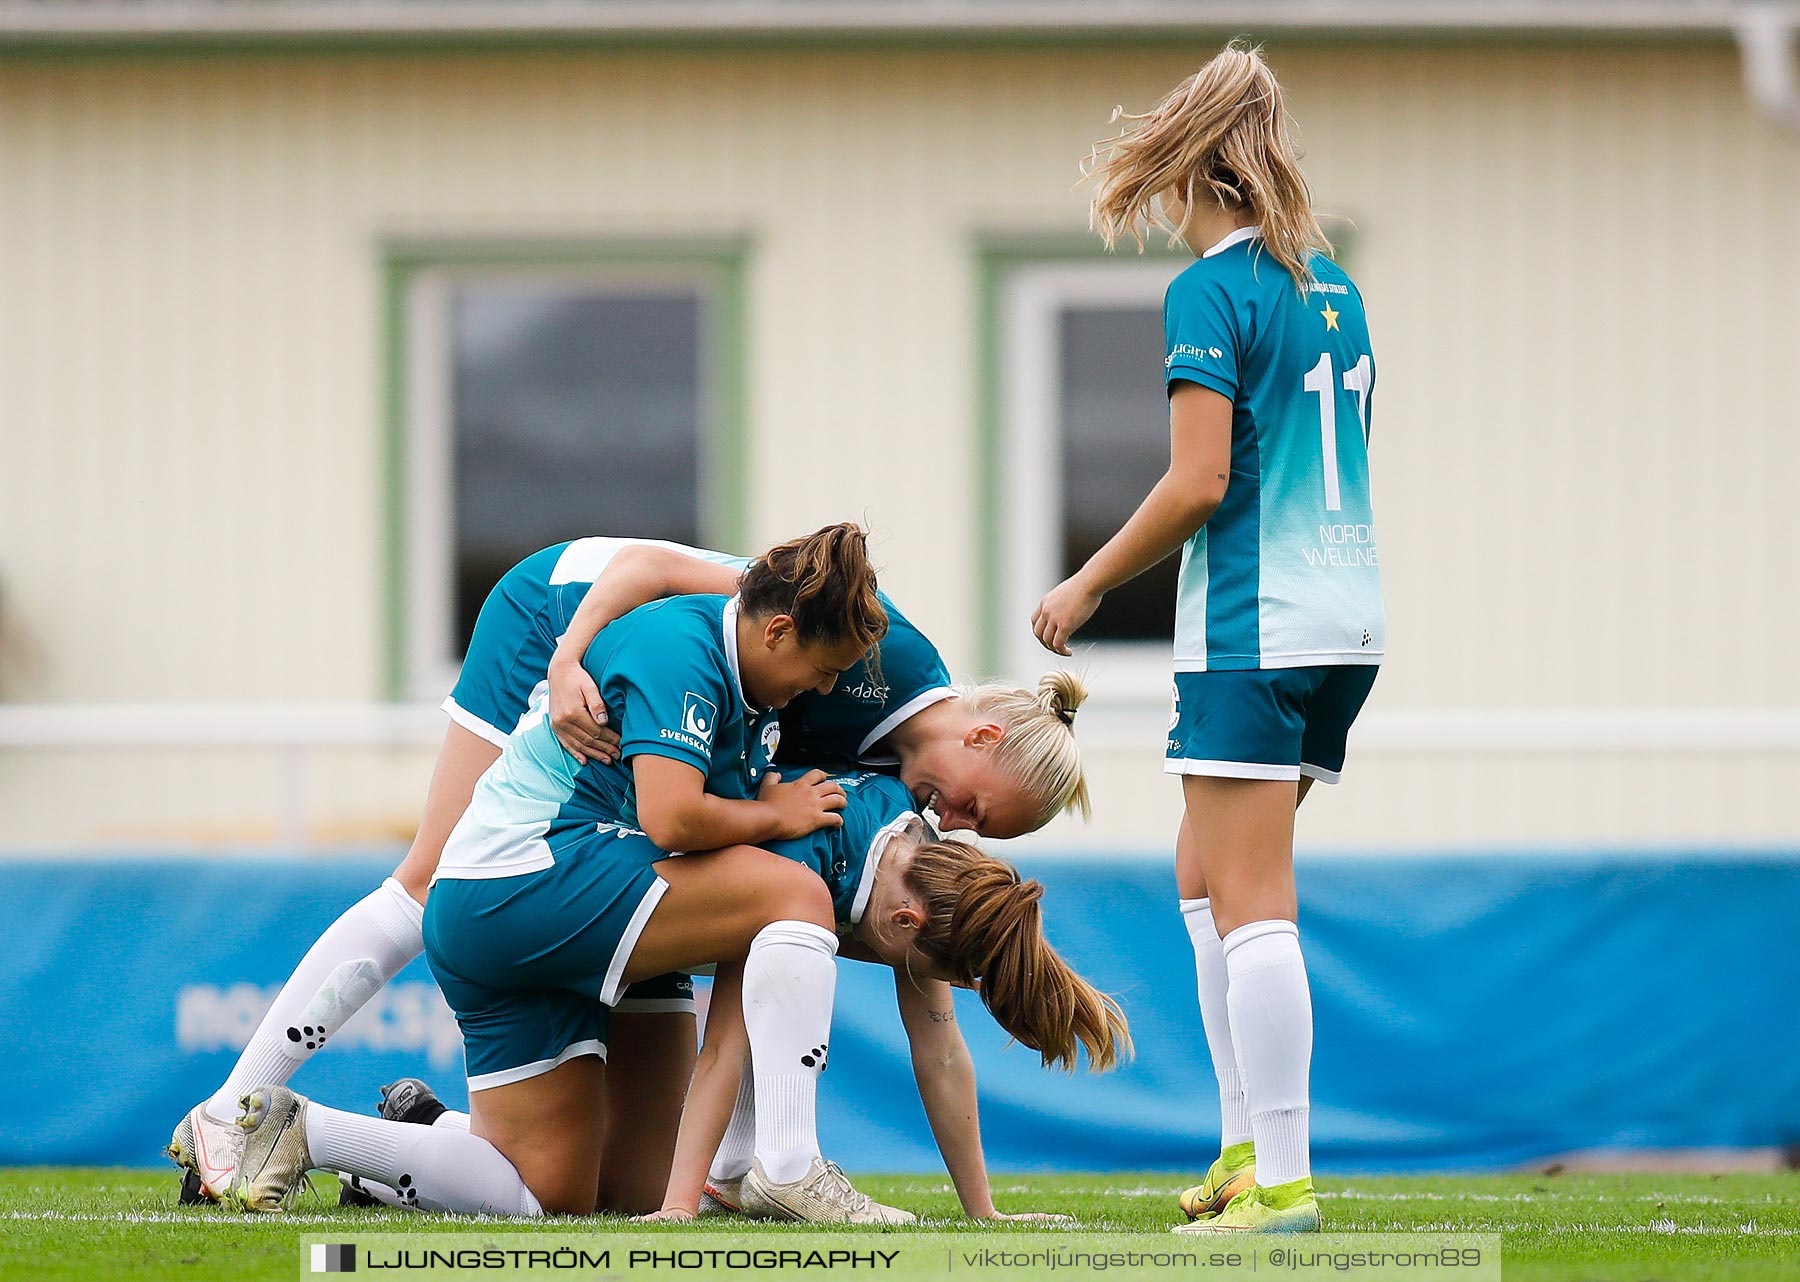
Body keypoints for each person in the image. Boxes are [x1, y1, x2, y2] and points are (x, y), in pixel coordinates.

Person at [170, 532, 1090, 1208]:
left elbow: (776, 921)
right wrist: (569, 658)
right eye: (977, 809)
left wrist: (981, 1210)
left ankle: (413, 1144)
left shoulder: (892, 782)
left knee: (599, 1187)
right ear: (983, 735)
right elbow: (654, 575)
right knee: (426, 883)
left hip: (620, 810)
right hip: (567, 621)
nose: (951, 824)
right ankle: (233, 1108)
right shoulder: (863, 646)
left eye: (976, 834)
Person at [1032, 42, 1383, 1235]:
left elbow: (1198, 483)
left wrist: (1083, 585)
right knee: (1206, 877)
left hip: (1255, 625)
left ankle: (1283, 1184)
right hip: (1344, 619)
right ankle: (1244, 1147)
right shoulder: (1331, 282)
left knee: (1251, 903)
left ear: (1195, 175)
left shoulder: (1212, 289)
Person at [333, 773, 1130, 1223]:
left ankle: (430, 1136)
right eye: (937, 971)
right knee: (550, 1202)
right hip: (552, 904)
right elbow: (727, 1045)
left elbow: (942, 1054)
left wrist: (982, 1212)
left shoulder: (913, 846)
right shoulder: (802, 875)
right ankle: (781, 1165)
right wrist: (681, 1208)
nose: (929, 990)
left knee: (590, 1190)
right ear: (904, 920)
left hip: (624, 918)